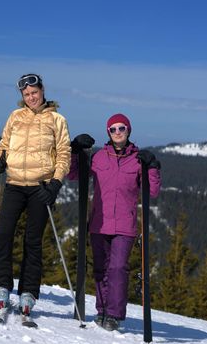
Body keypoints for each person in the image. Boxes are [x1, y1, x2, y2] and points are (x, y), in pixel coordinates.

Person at [68, 113, 161, 331]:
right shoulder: (99, 157)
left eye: (122, 128)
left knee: (118, 268)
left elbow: (153, 191)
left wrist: (154, 167)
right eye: (113, 129)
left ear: (129, 130)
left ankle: (114, 314)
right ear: (108, 132)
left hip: (125, 226)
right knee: (100, 268)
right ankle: (102, 310)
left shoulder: (138, 159)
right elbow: (74, 175)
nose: (117, 132)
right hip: (99, 223)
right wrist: (75, 151)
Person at [0, 73, 71, 316]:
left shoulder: (57, 119)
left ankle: (28, 293)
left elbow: (64, 154)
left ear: (42, 91)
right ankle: (1, 286)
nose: (31, 97)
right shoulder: (15, 116)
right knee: (3, 235)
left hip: (40, 187)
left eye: (34, 92)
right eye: (26, 94)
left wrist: (55, 184)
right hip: (14, 183)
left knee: (32, 241)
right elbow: (4, 144)